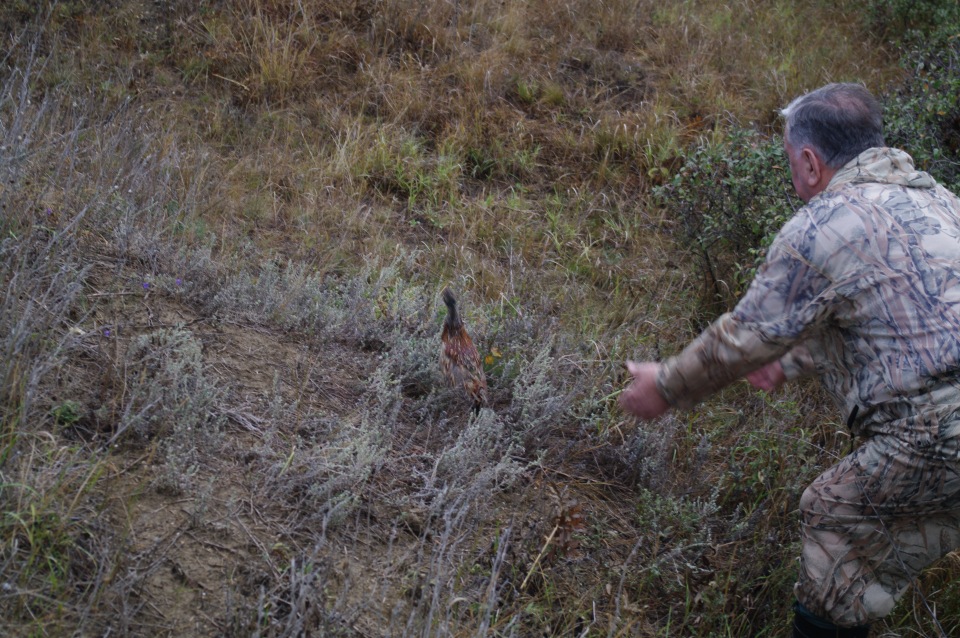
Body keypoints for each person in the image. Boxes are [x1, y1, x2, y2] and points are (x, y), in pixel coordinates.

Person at [619, 82, 960, 638]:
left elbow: (746, 335)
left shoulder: (825, 223)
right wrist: (791, 361)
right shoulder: (942, 201)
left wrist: (666, 385)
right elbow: (900, 313)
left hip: (939, 431)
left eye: (787, 161)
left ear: (809, 161)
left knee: (833, 516)